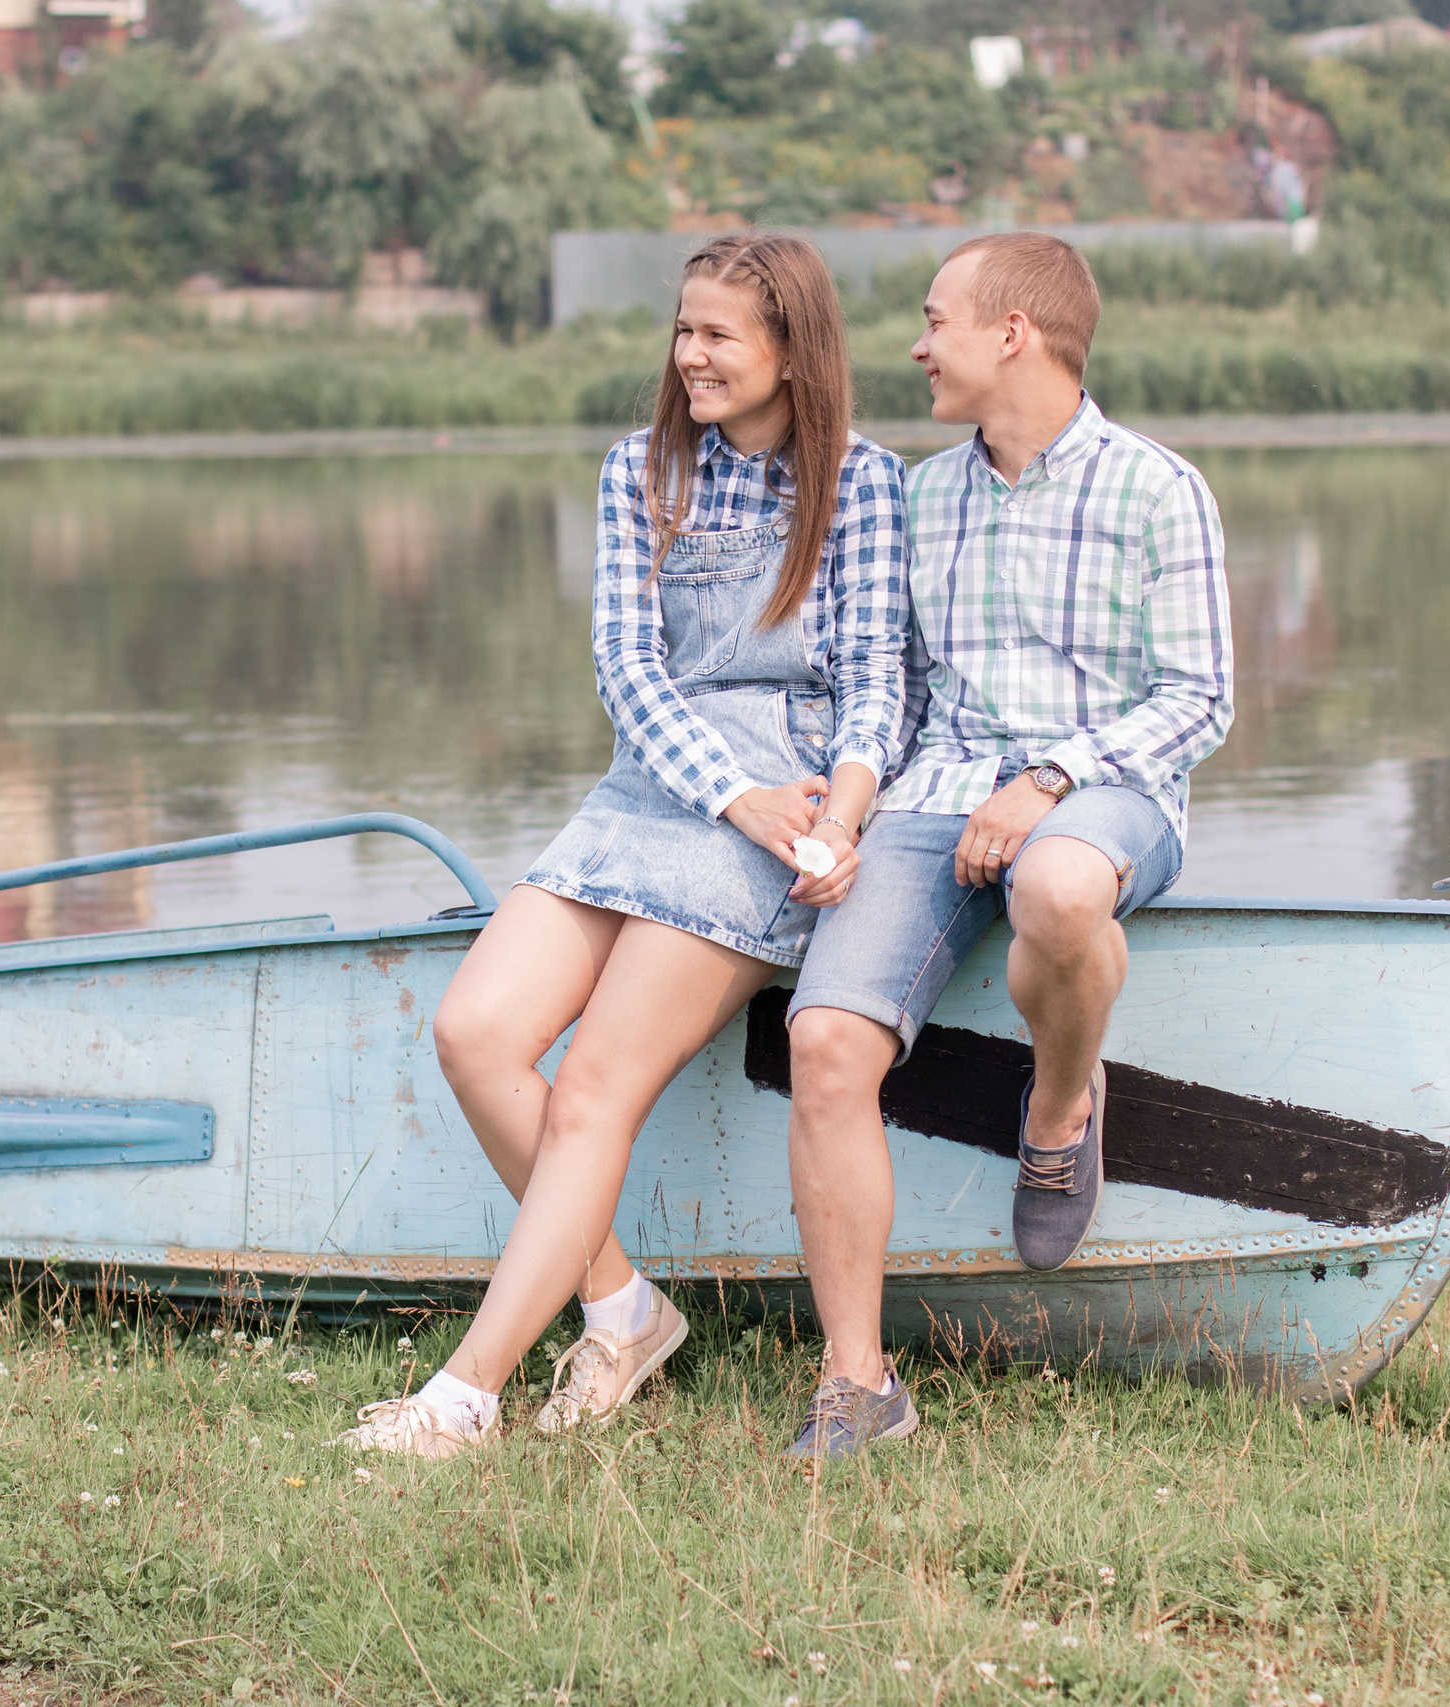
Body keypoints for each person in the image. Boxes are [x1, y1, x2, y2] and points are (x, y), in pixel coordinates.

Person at [336, 232, 910, 1459]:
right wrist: (731, 796)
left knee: (595, 1085)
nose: (689, 355)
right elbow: (628, 670)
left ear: (791, 354)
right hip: (660, 790)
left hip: (788, 812)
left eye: (718, 335)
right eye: (683, 330)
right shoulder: (638, 472)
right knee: (474, 1031)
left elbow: (875, 681)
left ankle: (463, 1399)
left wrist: (834, 817)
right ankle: (621, 1308)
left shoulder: (863, 482)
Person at [779, 232, 1234, 1459]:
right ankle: (859, 1388)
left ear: (1012, 334)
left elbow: (1199, 699)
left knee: (1061, 882)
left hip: (1105, 791)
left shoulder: (1155, 488)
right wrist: (836, 804)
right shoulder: (914, 497)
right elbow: (892, 686)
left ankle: (1057, 1108)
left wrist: (1048, 781)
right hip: (935, 795)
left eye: (936, 321)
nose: (917, 347)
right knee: (822, 1043)